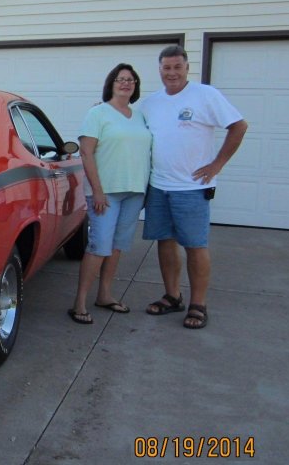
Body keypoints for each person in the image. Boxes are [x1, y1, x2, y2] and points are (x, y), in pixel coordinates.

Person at [141, 45, 248, 329]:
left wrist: (217, 165)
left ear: (187, 67)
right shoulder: (150, 103)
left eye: (177, 67)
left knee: (195, 245)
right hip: (158, 186)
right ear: (160, 70)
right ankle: (172, 296)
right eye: (166, 68)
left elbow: (239, 126)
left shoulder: (205, 95)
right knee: (164, 242)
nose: (172, 73)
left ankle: (198, 305)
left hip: (192, 188)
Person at [69, 63, 152, 324]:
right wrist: (98, 191)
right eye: (120, 79)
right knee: (99, 246)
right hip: (106, 194)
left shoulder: (139, 116)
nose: (126, 83)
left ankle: (105, 294)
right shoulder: (98, 113)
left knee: (116, 247)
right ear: (111, 84)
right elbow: (86, 152)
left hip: (134, 191)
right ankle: (79, 302)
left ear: (135, 86)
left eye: (131, 80)